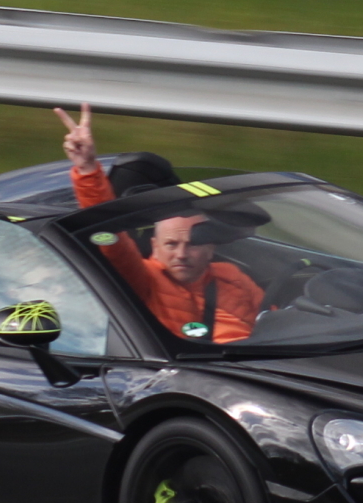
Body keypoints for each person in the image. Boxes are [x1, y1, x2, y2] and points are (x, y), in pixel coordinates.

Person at [55, 105, 263, 344]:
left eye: (192, 244)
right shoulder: (145, 278)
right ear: (154, 246)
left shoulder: (231, 276)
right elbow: (109, 236)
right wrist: (87, 168)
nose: (181, 254)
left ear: (210, 248)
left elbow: (275, 320)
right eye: (171, 244)